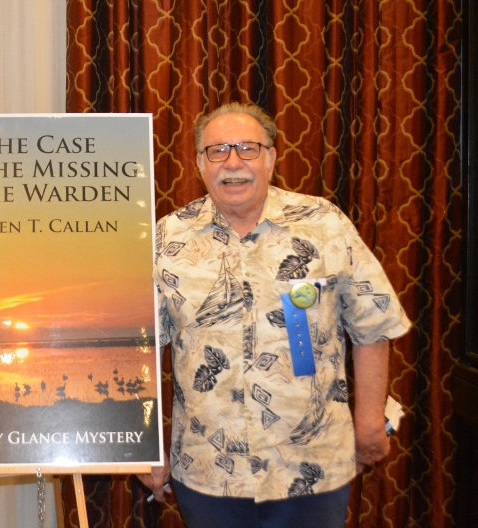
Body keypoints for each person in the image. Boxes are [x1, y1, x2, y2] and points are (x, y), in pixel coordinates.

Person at [140, 102, 411, 527]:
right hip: (210, 469)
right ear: (198, 163)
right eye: (217, 150)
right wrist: (147, 447)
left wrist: (370, 420)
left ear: (270, 158)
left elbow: (373, 325)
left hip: (312, 466)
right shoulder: (167, 236)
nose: (233, 162)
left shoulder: (324, 224)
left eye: (248, 148)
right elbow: (143, 350)